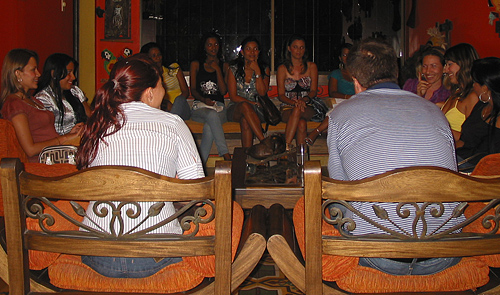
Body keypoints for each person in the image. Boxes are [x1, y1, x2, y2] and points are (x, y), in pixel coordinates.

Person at [327, 38, 462, 275]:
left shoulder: (341, 115)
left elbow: (339, 192)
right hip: (444, 253)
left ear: (357, 83)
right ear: (395, 72)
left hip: (377, 256)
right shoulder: (435, 111)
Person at [76, 54, 204, 278]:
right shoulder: (173, 124)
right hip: (156, 256)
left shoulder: (97, 124)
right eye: (161, 85)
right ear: (150, 92)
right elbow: (195, 193)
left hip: (95, 254)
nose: (164, 92)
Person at [1, 49, 82, 162]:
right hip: (43, 162)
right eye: (33, 70)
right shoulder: (14, 104)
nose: (38, 74)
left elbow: (45, 135)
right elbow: (30, 149)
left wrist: (71, 133)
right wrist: (65, 138)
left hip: (57, 154)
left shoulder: (32, 100)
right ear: (18, 74)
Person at [190, 32, 231, 163]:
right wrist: (204, 100)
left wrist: (217, 70)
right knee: (211, 115)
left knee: (209, 126)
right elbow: (193, 90)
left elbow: (224, 91)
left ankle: (200, 164)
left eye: (216, 45)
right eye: (209, 45)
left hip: (219, 107)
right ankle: (225, 154)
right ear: (204, 47)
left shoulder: (224, 66)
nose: (213, 48)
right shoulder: (196, 64)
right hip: (200, 108)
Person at [456, 57, 500, 172]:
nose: (473, 86)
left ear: (485, 88)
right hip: (462, 160)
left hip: (478, 171)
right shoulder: (481, 106)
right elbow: (464, 140)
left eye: (475, 82)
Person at [226, 37, 270, 148]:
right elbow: (233, 97)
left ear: (259, 52)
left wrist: (258, 71)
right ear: (242, 52)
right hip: (236, 108)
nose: (252, 52)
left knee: (245, 120)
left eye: (255, 49)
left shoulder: (264, 69)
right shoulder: (233, 69)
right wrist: (251, 103)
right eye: (248, 49)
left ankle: (248, 158)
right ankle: (264, 141)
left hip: (258, 109)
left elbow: (262, 93)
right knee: (245, 106)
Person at [277, 35, 318, 150]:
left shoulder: (311, 66)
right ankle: (301, 159)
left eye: (302, 47)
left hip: (307, 106)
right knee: (301, 124)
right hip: (287, 107)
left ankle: (286, 147)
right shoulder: (282, 68)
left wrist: (303, 100)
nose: (299, 51)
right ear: (289, 48)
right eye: (295, 47)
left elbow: (313, 91)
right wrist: (294, 103)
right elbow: (280, 95)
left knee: (298, 110)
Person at [35, 53, 91, 135]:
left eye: (73, 72)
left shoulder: (75, 91)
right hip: (60, 145)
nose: (73, 77)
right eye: (68, 72)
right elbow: (44, 134)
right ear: (54, 73)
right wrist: (70, 135)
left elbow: (90, 116)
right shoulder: (43, 98)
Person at [140, 42, 191, 120]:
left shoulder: (174, 68)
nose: (158, 58)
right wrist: (165, 103)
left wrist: (175, 106)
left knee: (179, 99)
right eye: (154, 56)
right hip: (162, 108)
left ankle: (170, 123)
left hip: (181, 107)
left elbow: (185, 91)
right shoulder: (148, 76)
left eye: (159, 55)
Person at [440, 43, 480, 143]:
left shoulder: (472, 96)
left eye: (450, 64)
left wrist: (438, 129)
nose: (445, 70)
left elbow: (472, 138)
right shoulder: (456, 92)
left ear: (463, 64)